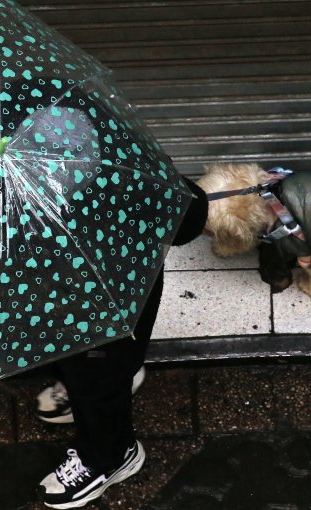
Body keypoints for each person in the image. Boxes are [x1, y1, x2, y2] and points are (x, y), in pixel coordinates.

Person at [35, 177, 208, 508]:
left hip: (109, 301)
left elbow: (189, 214)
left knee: (98, 377)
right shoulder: (8, 175)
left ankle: (111, 457)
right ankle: (83, 390)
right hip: (48, 286)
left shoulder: (114, 167)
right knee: (69, 360)